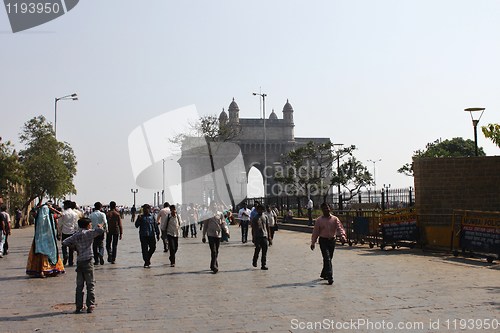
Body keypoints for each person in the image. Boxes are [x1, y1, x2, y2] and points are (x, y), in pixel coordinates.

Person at [62, 218, 105, 313]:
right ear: (87, 225)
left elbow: (64, 242)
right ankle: (90, 305)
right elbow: (100, 231)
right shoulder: (88, 233)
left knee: (79, 285)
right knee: (90, 284)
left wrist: (74, 248)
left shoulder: (76, 235)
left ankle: (78, 306)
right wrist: (99, 226)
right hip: (88, 260)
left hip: (80, 260)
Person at [310, 202, 347, 285]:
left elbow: (340, 228)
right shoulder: (319, 220)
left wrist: (343, 236)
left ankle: (324, 273)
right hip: (323, 241)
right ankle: (330, 277)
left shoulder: (335, 219)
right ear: (322, 210)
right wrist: (313, 242)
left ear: (330, 208)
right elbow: (315, 232)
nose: (326, 210)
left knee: (329, 258)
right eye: (324, 208)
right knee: (327, 258)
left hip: (332, 241)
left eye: (327, 208)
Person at [26, 203, 65, 277]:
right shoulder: (52, 216)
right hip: (49, 239)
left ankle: (41, 271)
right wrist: (52, 208)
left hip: (39, 238)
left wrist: (39, 207)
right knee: (50, 254)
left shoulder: (37, 216)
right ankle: (48, 269)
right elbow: (61, 214)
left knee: (40, 254)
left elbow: (32, 211)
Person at [202, 202, 229, 274]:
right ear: (210, 206)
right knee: (213, 251)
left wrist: (226, 231)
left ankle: (212, 264)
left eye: (215, 205)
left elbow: (223, 223)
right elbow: (205, 226)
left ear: (217, 206)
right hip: (210, 234)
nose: (214, 206)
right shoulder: (208, 215)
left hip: (218, 234)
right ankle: (214, 266)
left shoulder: (220, 214)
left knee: (216, 251)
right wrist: (203, 236)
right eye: (213, 205)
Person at [135, 204, 160, 268]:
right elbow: (136, 225)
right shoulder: (140, 217)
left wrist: (158, 233)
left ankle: (147, 258)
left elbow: (155, 225)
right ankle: (146, 262)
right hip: (143, 235)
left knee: (153, 247)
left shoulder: (152, 216)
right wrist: (139, 219)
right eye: (144, 209)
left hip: (151, 235)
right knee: (144, 249)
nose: (145, 210)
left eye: (146, 208)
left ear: (149, 209)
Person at [57, 200, 79, 266]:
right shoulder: (75, 214)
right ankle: (70, 261)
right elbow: (76, 224)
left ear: (66, 205)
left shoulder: (63, 214)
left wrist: (59, 232)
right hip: (72, 232)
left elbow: (60, 224)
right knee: (71, 248)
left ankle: (65, 255)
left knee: (64, 245)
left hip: (64, 232)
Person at [251, 204, 272, 270]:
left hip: (264, 235)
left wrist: (269, 237)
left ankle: (263, 264)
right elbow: (253, 228)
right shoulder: (255, 218)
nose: (260, 210)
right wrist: (253, 237)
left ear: (263, 210)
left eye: (261, 209)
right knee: (258, 248)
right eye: (258, 209)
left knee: (264, 251)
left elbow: (267, 227)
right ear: (257, 210)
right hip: (257, 236)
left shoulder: (265, 217)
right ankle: (255, 260)